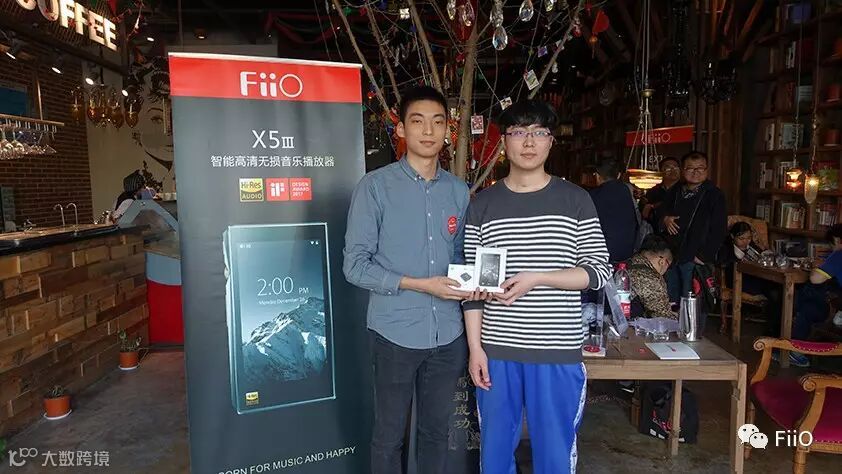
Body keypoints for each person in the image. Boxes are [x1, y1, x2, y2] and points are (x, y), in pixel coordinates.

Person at [462, 99, 611, 473]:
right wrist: (476, 349)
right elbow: (474, 287)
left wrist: (539, 278)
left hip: (556, 350)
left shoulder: (576, 200)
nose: (529, 142)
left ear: (550, 142)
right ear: (504, 142)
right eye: (518, 132)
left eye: (539, 132)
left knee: (555, 454)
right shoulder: (483, 205)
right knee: (494, 455)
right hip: (497, 351)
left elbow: (598, 271)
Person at [343, 86, 470, 474]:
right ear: (401, 129)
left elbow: (462, 257)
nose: (428, 131)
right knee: (389, 437)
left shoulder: (458, 191)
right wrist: (418, 284)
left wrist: (479, 280)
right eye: (418, 121)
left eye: (437, 122)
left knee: (436, 433)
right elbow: (355, 266)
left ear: (448, 130)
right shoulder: (375, 187)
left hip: (448, 335)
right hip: (394, 335)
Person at [661, 151, 727, 334]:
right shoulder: (676, 191)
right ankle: (672, 339)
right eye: (690, 168)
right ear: (683, 170)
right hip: (672, 255)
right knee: (672, 298)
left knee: (693, 300)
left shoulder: (714, 195)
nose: (695, 172)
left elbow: (719, 229)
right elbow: (661, 211)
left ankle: (692, 340)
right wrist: (665, 219)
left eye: (700, 168)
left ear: (707, 170)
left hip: (696, 256)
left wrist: (703, 255)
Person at [589, 155, 638, 263]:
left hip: (603, 254)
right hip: (627, 251)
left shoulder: (592, 196)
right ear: (619, 175)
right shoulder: (625, 190)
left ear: (597, 176)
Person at [626, 235, 676, 319]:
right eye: (669, 266)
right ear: (662, 262)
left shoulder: (629, 262)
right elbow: (662, 316)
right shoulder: (651, 278)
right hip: (633, 324)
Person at [640, 157, 681, 227]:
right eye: (668, 168)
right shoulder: (653, 191)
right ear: (661, 171)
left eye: (675, 167)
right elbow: (645, 213)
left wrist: (654, 206)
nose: (673, 170)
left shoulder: (684, 189)